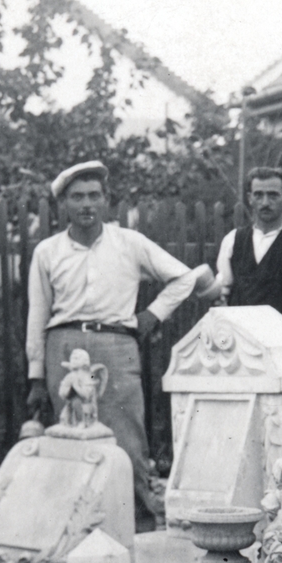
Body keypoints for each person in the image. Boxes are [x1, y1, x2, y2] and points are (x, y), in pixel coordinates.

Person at [26, 161, 215, 525]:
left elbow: (183, 278)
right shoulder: (47, 252)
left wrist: (152, 315)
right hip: (63, 347)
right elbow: (38, 313)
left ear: (107, 200)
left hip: (116, 344)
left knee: (127, 437)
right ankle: (73, 527)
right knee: (71, 435)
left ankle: (138, 524)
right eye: (77, 197)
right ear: (63, 204)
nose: (87, 205)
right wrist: (36, 375)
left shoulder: (130, 243)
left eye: (94, 196)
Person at [214, 167, 282, 337]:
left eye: (273, 195)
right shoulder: (233, 240)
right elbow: (222, 296)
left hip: (279, 340)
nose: (264, 202)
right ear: (249, 198)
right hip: (239, 340)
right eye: (258, 195)